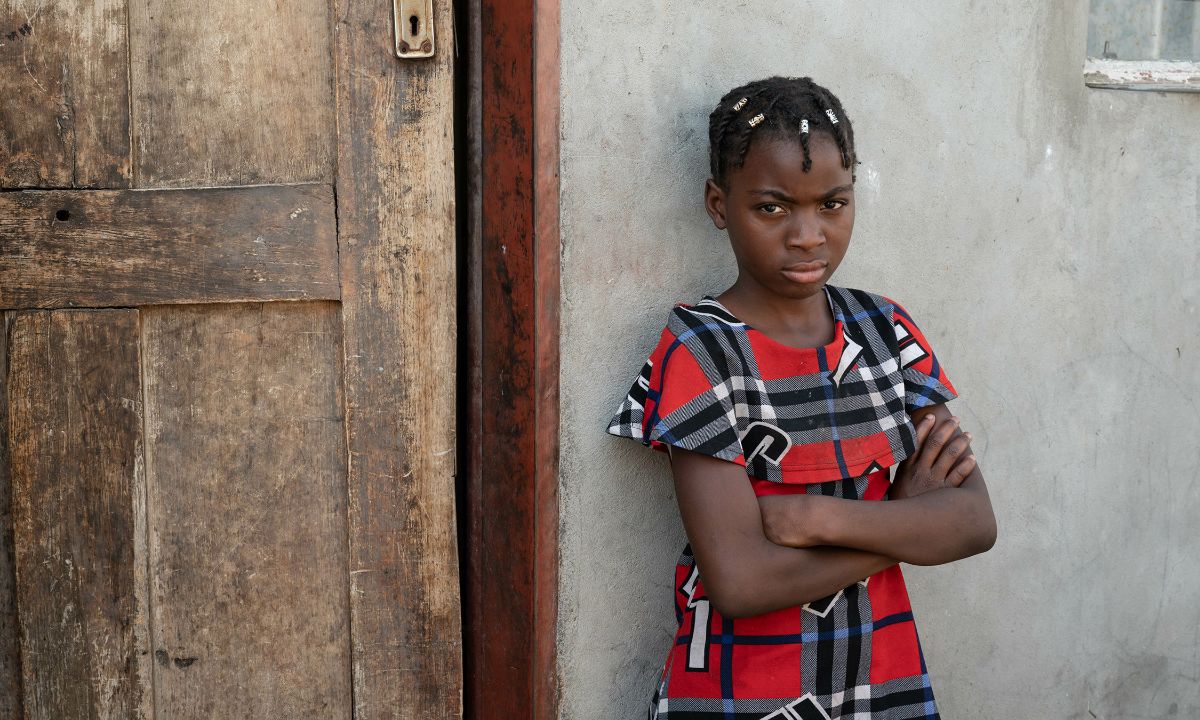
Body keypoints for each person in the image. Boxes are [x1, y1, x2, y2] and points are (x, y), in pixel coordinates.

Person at [606, 76, 997, 720]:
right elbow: (741, 581)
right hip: (741, 694)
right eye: (773, 207)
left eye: (833, 204)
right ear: (717, 204)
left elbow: (974, 523)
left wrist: (816, 520)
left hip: (881, 690)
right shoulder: (701, 350)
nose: (808, 235)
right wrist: (904, 519)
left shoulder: (886, 332)